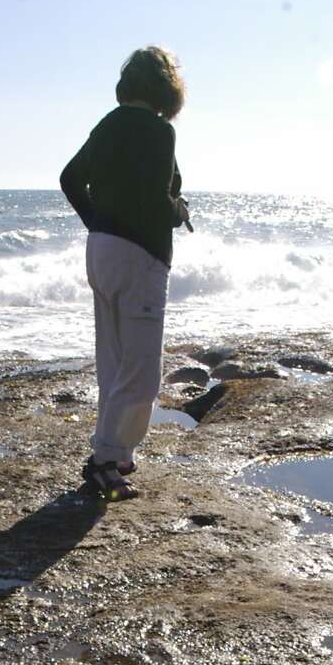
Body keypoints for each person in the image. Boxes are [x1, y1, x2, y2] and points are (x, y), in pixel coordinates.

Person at [60, 46, 192, 501]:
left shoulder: (106, 125)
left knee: (114, 360)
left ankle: (113, 454)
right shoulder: (159, 131)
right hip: (140, 256)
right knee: (140, 369)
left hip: (101, 250)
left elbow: (69, 179)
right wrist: (177, 210)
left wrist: (100, 222)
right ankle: (104, 461)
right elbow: (159, 199)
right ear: (166, 87)